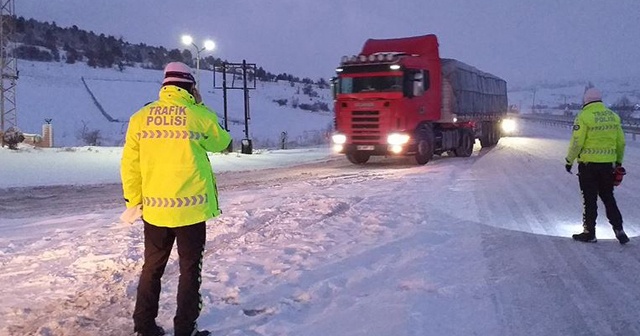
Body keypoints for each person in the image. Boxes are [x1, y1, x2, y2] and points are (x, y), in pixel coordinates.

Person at [121, 61, 232, 336]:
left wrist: (134, 201)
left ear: (165, 86)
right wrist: (200, 107)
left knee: (152, 269)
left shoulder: (140, 117)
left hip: (156, 211)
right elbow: (222, 142)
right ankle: (185, 330)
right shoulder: (197, 115)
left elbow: (130, 164)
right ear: (190, 87)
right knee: (189, 270)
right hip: (191, 211)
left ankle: (144, 326)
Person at [565, 87, 628, 244]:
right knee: (608, 197)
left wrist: (569, 160)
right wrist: (618, 162)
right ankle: (619, 230)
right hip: (608, 166)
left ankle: (590, 233)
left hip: (588, 166)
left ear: (586, 100)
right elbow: (621, 142)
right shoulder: (613, 116)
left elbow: (577, 142)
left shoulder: (584, 116)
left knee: (589, 199)